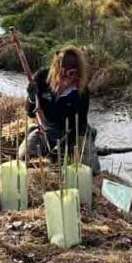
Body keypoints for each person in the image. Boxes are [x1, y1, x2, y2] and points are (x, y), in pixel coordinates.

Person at [18, 45, 101, 174]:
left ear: (77, 73)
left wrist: (60, 147)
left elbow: (79, 125)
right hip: (45, 129)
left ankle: (90, 136)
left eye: (70, 75)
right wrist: (32, 98)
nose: (63, 82)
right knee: (25, 157)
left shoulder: (81, 92)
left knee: (91, 170)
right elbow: (30, 112)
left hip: (72, 132)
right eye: (61, 75)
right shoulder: (41, 77)